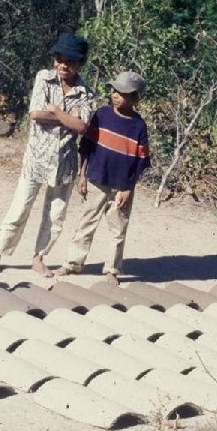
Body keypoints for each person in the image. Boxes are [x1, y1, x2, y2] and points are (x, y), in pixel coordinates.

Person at [0, 33, 94, 278]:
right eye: (59, 59)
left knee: (55, 215)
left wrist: (54, 110)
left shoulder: (86, 93)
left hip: (64, 162)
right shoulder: (44, 78)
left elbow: (83, 127)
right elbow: (35, 113)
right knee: (20, 207)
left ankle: (39, 257)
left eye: (70, 61)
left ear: (81, 62)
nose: (63, 65)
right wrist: (67, 116)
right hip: (36, 157)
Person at [55, 71, 150, 285]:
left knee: (118, 229)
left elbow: (141, 161)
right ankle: (72, 263)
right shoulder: (102, 115)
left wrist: (128, 188)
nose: (115, 95)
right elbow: (86, 146)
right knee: (86, 223)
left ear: (134, 98)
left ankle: (112, 269)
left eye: (122, 93)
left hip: (121, 186)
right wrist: (82, 175)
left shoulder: (138, 127)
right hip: (96, 180)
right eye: (114, 91)